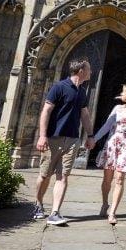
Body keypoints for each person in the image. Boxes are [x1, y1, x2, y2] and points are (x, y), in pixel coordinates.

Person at [34, 58, 93, 226]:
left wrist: (90, 135)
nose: (91, 72)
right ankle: (38, 204)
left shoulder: (82, 91)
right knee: (44, 174)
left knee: (63, 176)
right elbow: (46, 111)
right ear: (81, 70)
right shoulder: (59, 87)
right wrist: (42, 135)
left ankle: (55, 212)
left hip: (72, 139)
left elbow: (85, 115)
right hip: (53, 137)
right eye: (88, 69)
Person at [87, 83, 126, 225]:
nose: (121, 94)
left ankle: (112, 212)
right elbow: (107, 126)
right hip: (112, 144)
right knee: (107, 179)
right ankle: (105, 203)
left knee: (119, 179)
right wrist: (94, 139)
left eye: (124, 92)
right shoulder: (117, 108)